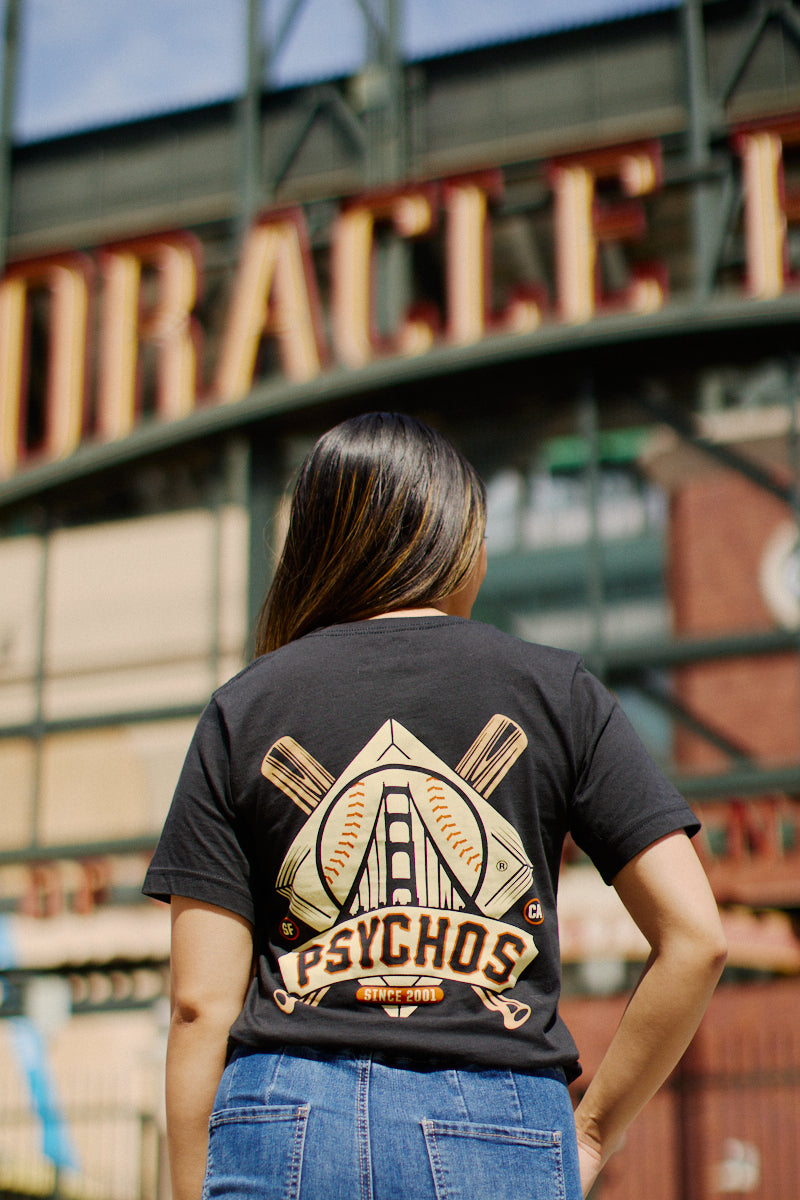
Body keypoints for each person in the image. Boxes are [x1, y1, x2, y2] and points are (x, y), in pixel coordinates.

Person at [143, 411, 727, 1200]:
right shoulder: (555, 694)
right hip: (497, 1116)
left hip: (284, 1120)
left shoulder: (244, 708)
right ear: (456, 543)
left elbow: (197, 1008)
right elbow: (695, 939)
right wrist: (589, 1134)